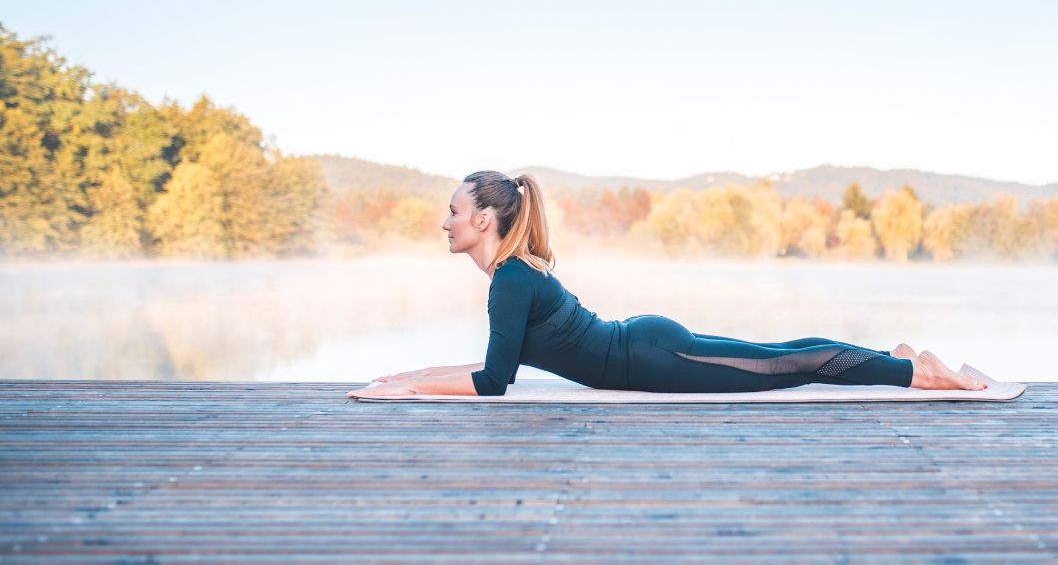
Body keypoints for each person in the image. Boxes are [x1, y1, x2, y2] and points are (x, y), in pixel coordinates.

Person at [346, 170, 986, 399]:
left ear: (483, 220)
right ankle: (894, 358)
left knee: (785, 364)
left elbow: (492, 383)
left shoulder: (510, 280)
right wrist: (410, 375)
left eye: (454, 212)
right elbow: (495, 365)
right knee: (776, 355)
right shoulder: (512, 277)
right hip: (646, 347)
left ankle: (918, 373)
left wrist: (412, 385)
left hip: (652, 356)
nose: (445, 223)